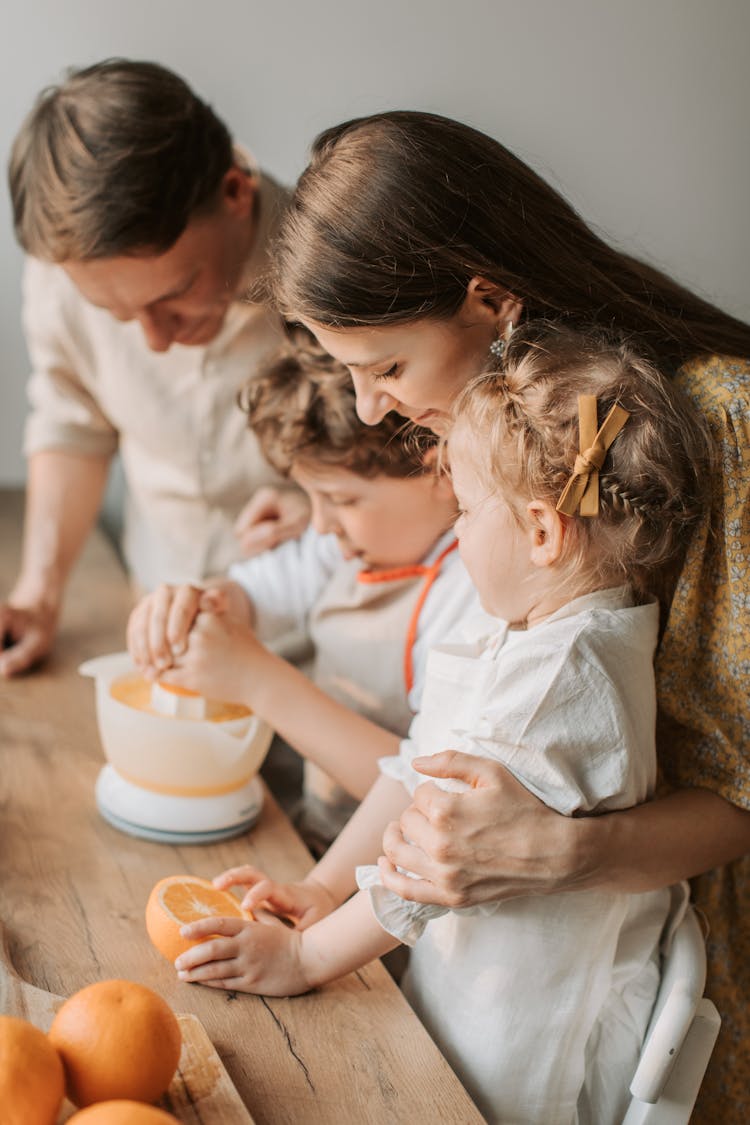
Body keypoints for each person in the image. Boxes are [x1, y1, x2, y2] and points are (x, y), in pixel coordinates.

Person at [267, 110, 750, 1122]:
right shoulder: (512, 461)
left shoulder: (727, 427)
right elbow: (437, 753)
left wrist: (573, 853)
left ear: (488, 298)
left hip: (677, 1005)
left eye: (385, 368)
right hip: (532, 960)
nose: (367, 410)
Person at [171, 324, 711, 1124]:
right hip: (473, 984)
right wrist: (322, 889)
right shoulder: (546, 626)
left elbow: (423, 869)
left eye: (462, 511)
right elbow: (419, 768)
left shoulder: (555, 681)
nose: (453, 539)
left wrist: (305, 957)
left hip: (519, 1042)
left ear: (541, 531)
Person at [0, 58, 308, 679]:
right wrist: (38, 593)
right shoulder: (63, 274)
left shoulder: (341, 269)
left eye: (176, 293)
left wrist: (326, 511)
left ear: (233, 192)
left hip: (322, 649)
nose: (157, 342)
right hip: (155, 628)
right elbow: (74, 425)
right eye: (115, 314)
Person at [127, 339, 476, 846]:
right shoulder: (347, 544)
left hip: (390, 882)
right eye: (310, 496)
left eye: (340, 498)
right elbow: (257, 593)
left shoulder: (466, 592)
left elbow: (422, 791)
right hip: (317, 838)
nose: (319, 523)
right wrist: (202, 602)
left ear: (441, 470)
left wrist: (257, 680)